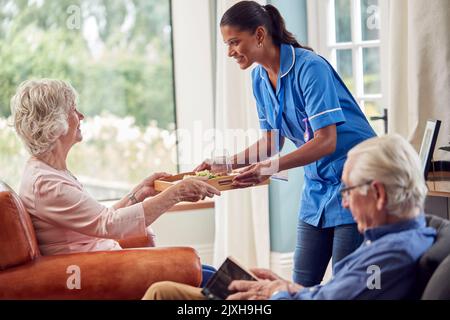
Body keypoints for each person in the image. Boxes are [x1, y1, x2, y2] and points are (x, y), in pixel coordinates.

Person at [195, 1, 376, 286]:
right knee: (299, 283)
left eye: (234, 42)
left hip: (356, 181)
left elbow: (326, 141)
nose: (229, 52)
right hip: (317, 186)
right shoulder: (259, 77)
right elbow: (271, 141)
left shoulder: (310, 68)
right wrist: (227, 163)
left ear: (258, 35)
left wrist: (270, 167)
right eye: (226, 44)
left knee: (344, 285)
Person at [143, 134, 436, 300]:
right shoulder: (397, 241)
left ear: (378, 194)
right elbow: (336, 294)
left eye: (347, 191)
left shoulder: (388, 257)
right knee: (170, 290)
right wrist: (288, 286)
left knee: (163, 294)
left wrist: (274, 294)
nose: (344, 204)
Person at [11, 79, 220, 286]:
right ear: (55, 122)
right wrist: (177, 192)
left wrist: (139, 193)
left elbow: (98, 220)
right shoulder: (47, 185)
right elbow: (108, 224)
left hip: (104, 263)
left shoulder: (48, 172)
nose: (81, 116)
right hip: (96, 273)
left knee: (211, 274)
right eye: (74, 110)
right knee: (211, 280)